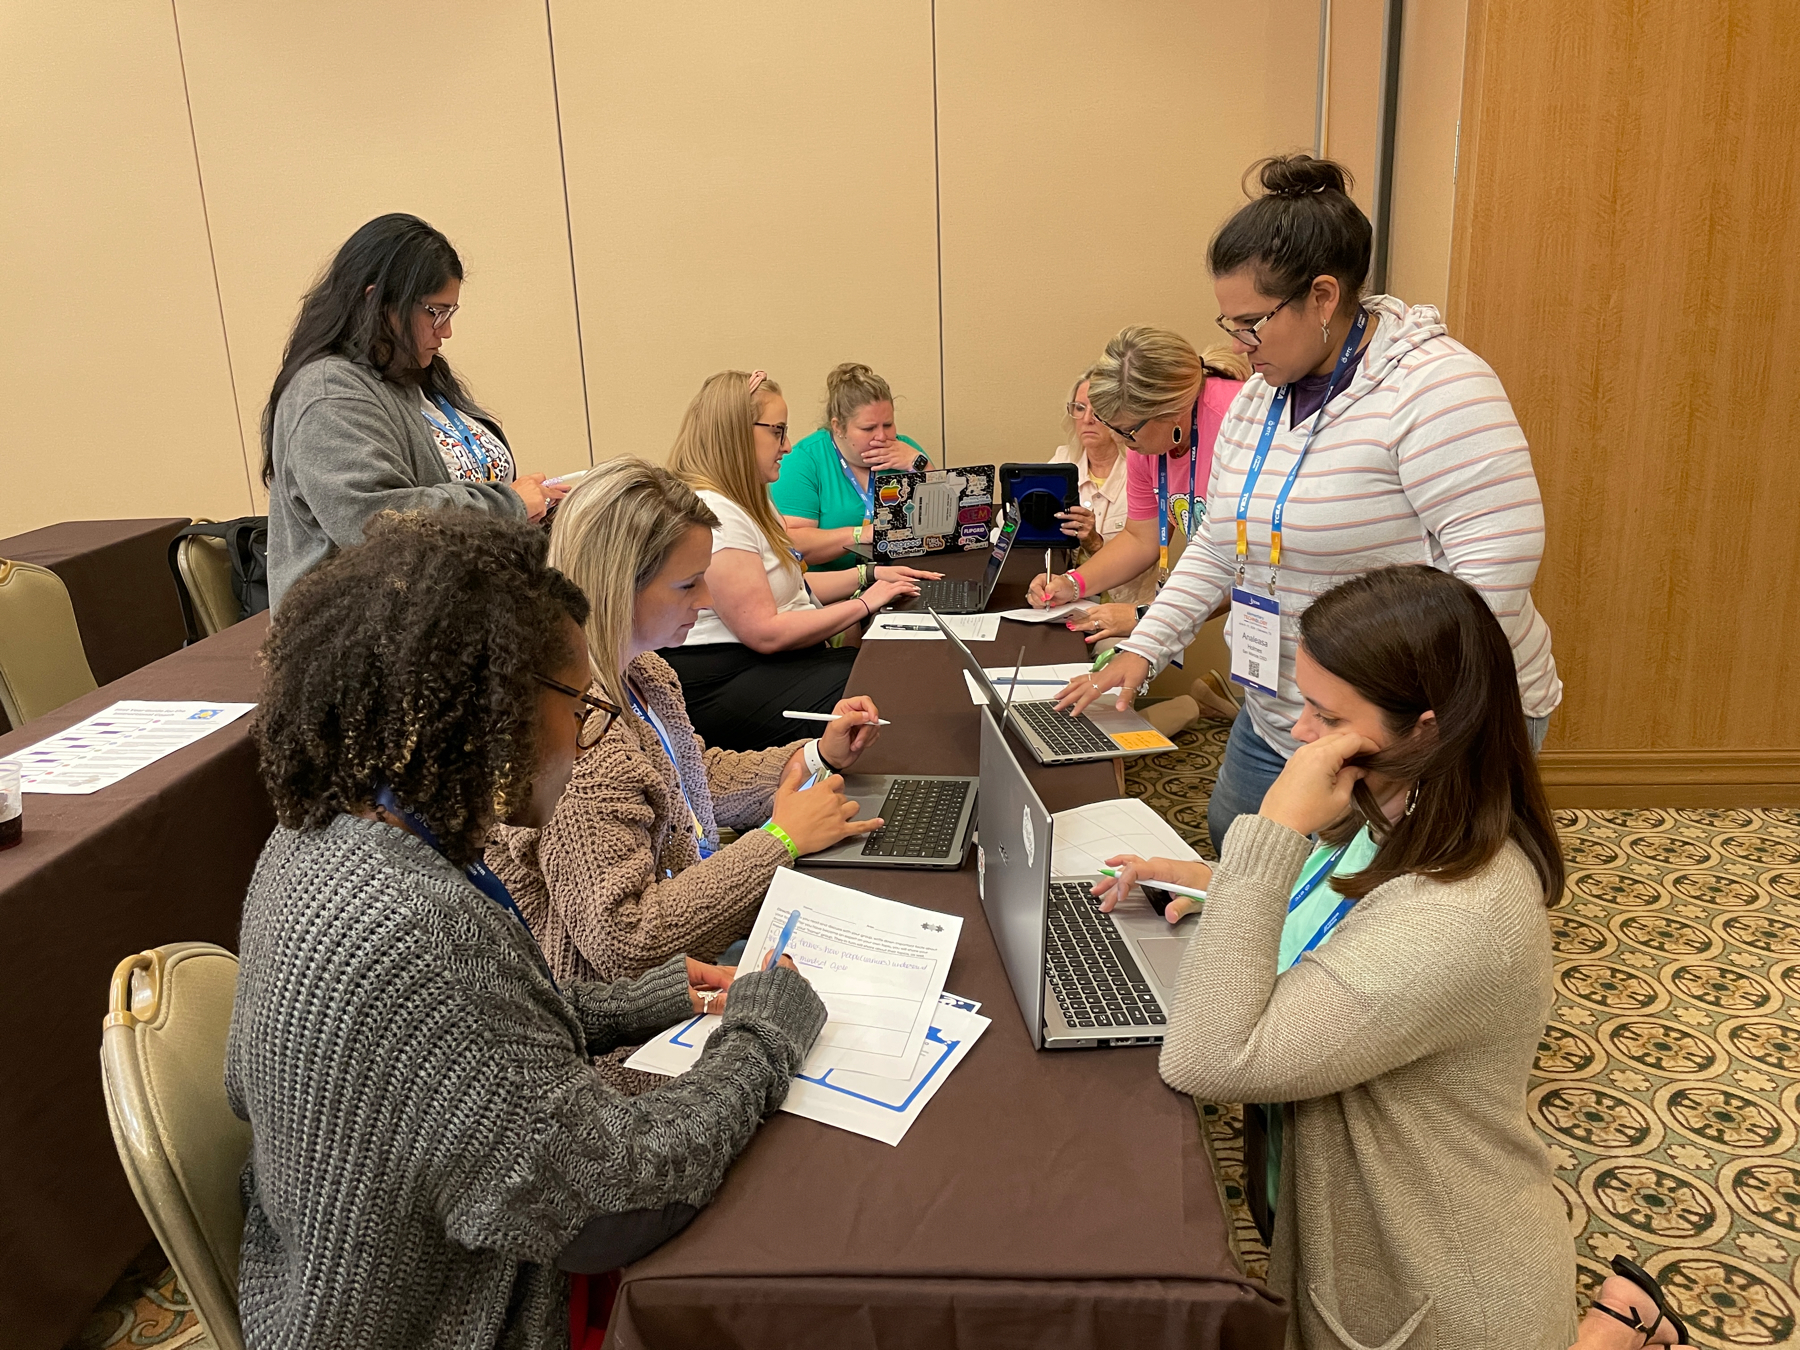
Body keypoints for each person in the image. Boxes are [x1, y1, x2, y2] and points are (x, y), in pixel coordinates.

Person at [228, 509, 823, 1348]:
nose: (582, 736)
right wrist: (763, 1036)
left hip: (320, 1287)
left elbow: (432, 1063)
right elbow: (616, 1200)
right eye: (575, 702)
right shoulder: (422, 933)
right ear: (488, 707)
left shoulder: (314, 841)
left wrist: (634, 1003)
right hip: (445, 1320)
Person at [1099, 564, 1574, 1350]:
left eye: (1324, 715)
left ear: (1423, 726)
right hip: (1353, 1238)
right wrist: (1221, 882)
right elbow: (1338, 914)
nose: (1299, 734)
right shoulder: (1405, 812)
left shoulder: (1457, 913)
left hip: (1435, 1297)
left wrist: (1271, 834)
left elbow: (1209, 1059)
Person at [1058, 155, 1561, 852]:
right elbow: (1216, 544)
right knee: (1239, 840)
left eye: (1251, 323)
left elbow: (1495, 574)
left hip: (1415, 717)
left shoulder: (1437, 388)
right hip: (1287, 702)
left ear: (1322, 297)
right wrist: (1146, 646)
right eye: (1229, 323)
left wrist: (1381, 721)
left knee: (1374, 901)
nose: (1236, 344)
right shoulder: (1262, 398)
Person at [488, 457, 886, 995]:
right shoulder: (578, 736)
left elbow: (694, 781)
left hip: (696, 948)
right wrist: (779, 840)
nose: (705, 601)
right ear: (617, 585)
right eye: (687, 585)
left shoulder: (646, 673)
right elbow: (627, 944)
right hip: (639, 1009)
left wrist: (819, 756)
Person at [262, 213, 567, 608]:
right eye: (435, 312)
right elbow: (378, 523)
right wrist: (507, 506)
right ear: (376, 301)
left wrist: (534, 504)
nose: (446, 331)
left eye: (450, 313)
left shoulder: (418, 374)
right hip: (364, 639)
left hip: (455, 614)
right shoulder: (328, 393)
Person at [663, 369, 937, 752]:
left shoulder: (751, 500)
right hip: (722, 679)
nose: (787, 445)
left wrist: (871, 575)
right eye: (777, 431)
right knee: (876, 683)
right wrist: (864, 602)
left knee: (883, 666)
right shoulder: (714, 514)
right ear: (737, 434)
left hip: (761, 663)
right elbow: (766, 632)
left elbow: (797, 590)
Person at [1027, 328, 1248, 645]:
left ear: (1170, 412)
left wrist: (1145, 616)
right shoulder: (1146, 445)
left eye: (1128, 431)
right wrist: (1072, 583)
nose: (1121, 442)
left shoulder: (1238, 424)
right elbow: (1140, 537)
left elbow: (1249, 567)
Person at [772, 362, 933, 570]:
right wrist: (860, 535)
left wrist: (920, 465)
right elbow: (792, 544)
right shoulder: (804, 460)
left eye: (888, 425)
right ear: (838, 427)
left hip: (902, 578)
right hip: (830, 593)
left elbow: (941, 523)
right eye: (868, 428)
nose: (882, 436)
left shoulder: (904, 448)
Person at [1048, 371, 1157, 606]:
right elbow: (1007, 523)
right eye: (1079, 408)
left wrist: (1096, 545)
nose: (1087, 419)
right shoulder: (1063, 462)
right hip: (1066, 603)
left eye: (1098, 410)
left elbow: (1144, 555)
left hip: (1123, 609)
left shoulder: (1142, 470)